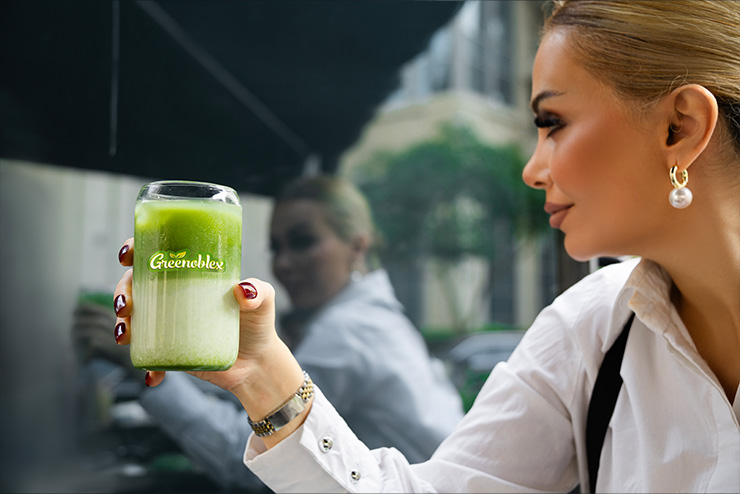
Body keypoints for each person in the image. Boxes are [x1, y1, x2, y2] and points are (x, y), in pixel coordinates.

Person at [114, 1, 740, 491]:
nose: (532, 169)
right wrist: (258, 372)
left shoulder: (356, 333)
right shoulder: (591, 329)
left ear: (679, 127)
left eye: (553, 124)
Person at [111, 175, 464, 491]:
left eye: (303, 242)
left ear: (357, 247)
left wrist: (146, 372)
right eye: (276, 247)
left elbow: (248, 462)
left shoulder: (349, 332)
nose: (283, 263)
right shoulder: (373, 317)